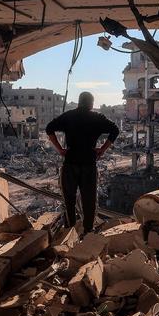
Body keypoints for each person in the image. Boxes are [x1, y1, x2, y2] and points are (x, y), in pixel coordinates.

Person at [45, 92, 119, 232]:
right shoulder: (96, 118)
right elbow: (115, 130)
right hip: (88, 164)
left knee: (69, 199)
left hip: (70, 162)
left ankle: (70, 231)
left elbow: (49, 128)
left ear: (79, 102)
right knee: (89, 200)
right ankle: (87, 231)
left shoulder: (69, 116)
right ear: (91, 104)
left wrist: (60, 149)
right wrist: (102, 149)